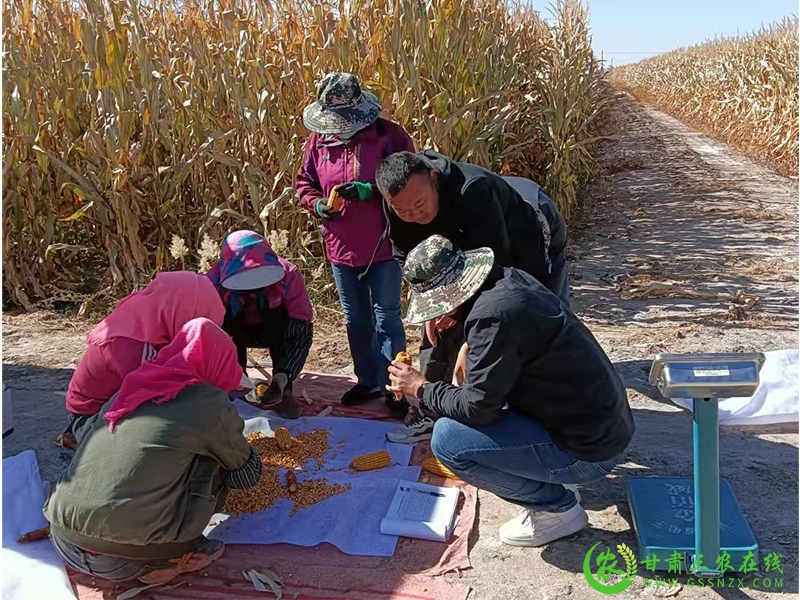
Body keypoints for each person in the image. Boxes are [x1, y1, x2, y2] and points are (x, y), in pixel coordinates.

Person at [387, 236, 634, 546]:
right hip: (606, 426)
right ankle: (554, 478)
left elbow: (477, 409)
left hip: (589, 451)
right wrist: (467, 344)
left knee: (448, 440)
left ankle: (556, 509)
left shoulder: (493, 317)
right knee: (475, 403)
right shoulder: (509, 282)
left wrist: (421, 389)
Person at [45, 318, 260, 584]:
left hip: (62, 541)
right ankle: (177, 556)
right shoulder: (207, 401)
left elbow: (85, 440)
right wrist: (245, 450)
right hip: (126, 561)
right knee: (214, 460)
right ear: (221, 362)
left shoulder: (129, 388)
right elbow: (246, 477)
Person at [375, 150, 569, 439]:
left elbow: (500, 275)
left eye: (419, 204)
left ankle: (545, 416)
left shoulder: (474, 191)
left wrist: (472, 334)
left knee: (532, 318)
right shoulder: (398, 198)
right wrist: (431, 301)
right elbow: (408, 257)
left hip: (524, 234)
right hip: (459, 251)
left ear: (433, 179)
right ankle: (432, 410)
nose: (414, 216)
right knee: (438, 329)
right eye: (404, 211)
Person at [296, 72, 414, 418]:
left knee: (387, 317)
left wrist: (373, 191)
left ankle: (396, 389)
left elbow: (411, 180)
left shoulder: (389, 136)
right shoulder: (318, 141)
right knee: (356, 319)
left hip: (383, 245)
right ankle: (368, 381)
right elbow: (305, 182)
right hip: (340, 247)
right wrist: (318, 204)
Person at [64, 271, 225, 443]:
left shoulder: (151, 315)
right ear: (182, 314)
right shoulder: (134, 346)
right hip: (90, 419)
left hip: (117, 402)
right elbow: (159, 401)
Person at [208, 230, 314, 419]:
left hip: (273, 327)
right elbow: (206, 330)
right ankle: (234, 383)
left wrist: (282, 378)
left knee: (299, 328)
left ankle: (283, 385)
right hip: (234, 329)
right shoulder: (213, 282)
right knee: (214, 331)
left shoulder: (288, 274)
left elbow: (301, 322)